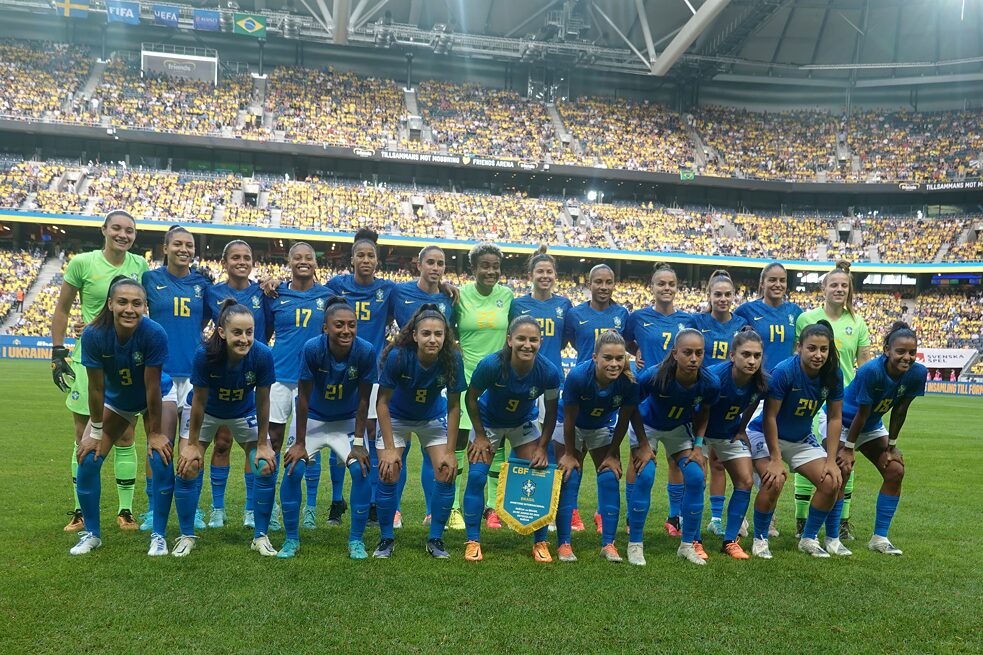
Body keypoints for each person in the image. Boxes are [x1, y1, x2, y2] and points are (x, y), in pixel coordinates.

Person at [51, 210, 148, 532]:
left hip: (125, 361)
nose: (123, 234)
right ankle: (79, 511)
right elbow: (63, 308)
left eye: (129, 230)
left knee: (126, 435)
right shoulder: (82, 263)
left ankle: (125, 510)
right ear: (104, 230)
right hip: (89, 357)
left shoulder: (140, 266)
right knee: (84, 435)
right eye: (117, 228)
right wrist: (57, 351)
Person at [169, 299, 275, 557]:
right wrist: (192, 444)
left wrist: (263, 443)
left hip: (243, 411)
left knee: (265, 465)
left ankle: (260, 536)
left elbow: (262, 400)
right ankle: (186, 535)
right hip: (207, 412)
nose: (244, 339)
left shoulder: (262, 355)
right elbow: (199, 402)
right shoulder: (204, 355)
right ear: (221, 332)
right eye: (237, 332)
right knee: (188, 466)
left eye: (249, 332)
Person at [70, 277, 167, 555]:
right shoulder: (94, 334)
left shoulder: (154, 333)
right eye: (122, 302)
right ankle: (92, 533)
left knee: (160, 456)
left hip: (155, 399)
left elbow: (152, 388)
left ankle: (159, 535)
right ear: (110, 303)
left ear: (145, 307)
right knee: (88, 457)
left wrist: (156, 433)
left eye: (137, 303)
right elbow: (97, 388)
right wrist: (97, 432)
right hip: (117, 401)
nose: (129, 309)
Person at [278, 298, 376, 559]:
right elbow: (304, 398)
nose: (346, 331)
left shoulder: (365, 351)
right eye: (339, 325)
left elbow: (364, 400)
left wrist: (358, 441)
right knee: (292, 468)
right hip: (313, 419)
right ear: (325, 328)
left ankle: (356, 541)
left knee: (361, 471)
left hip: (346, 420)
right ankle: (291, 540)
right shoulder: (312, 349)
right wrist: (299, 443)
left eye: (352, 325)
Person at [746, 320, 848, 558]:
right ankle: (760, 538)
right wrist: (775, 458)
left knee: (832, 480)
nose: (818, 354)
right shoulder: (785, 371)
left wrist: (831, 460)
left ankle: (809, 538)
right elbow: (769, 416)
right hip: (765, 434)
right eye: (812, 348)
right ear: (799, 347)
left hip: (801, 439)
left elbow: (834, 418)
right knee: (775, 479)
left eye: (824, 349)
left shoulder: (833, 374)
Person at [463, 315, 562, 562]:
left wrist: (542, 447)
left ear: (540, 342)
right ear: (509, 340)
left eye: (533, 340)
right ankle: (473, 540)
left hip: (522, 423)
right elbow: (471, 398)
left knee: (539, 473)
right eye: (520, 339)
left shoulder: (549, 372)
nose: (527, 345)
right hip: (488, 421)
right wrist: (481, 436)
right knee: (476, 476)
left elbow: (551, 412)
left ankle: (540, 542)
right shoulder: (491, 365)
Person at [374, 304, 467, 559]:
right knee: (388, 470)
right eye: (426, 333)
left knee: (447, 470)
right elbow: (381, 403)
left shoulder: (452, 358)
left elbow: (454, 406)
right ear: (414, 335)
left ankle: (435, 538)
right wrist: (391, 449)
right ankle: (386, 538)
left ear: (445, 336)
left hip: (431, 417)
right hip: (396, 417)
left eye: (438, 334)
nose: (433, 339)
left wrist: (450, 452)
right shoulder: (399, 356)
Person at [622, 328, 720, 566]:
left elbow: (704, 412)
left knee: (696, 477)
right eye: (687, 352)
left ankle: (687, 545)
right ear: (675, 353)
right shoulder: (654, 376)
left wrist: (698, 446)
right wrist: (644, 444)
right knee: (646, 475)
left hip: (679, 428)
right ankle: (635, 543)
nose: (694, 358)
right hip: (647, 425)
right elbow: (632, 406)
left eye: (699, 353)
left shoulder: (709, 382)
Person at [829, 321, 926, 555]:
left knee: (895, 470)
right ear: (887, 351)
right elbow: (861, 414)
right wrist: (848, 449)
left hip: (871, 425)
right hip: (842, 423)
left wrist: (892, 447)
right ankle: (833, 538)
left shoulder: (918, 372)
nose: (907, 357)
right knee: (841, 471)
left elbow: (900, 410)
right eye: (900, 351)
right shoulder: (871, 371)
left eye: (912, 352)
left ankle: (879, 538)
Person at [321, 229, 395, 530]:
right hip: (341, 373)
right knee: (342, 435)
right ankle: (337, 500)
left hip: (373, 375)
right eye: (360, 255)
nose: (366, 260)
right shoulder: (335, 285)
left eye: (370, 256)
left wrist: (443, 284)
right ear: (351, 259)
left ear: (377, 261)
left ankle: (375, 502)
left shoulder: (388, 289)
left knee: (373, 437)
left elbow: (412, 304)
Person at [794, 261, 872, 540]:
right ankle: (802, 520)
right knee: (810, 456)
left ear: (849, 290)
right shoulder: (806, 318)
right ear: (824, 288)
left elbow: (863, 365)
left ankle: (841, 522)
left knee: (844, 461)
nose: (839, 289)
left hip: (845, 401)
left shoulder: (857, 322)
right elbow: (797, 356)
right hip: (813, 398)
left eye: (844, 285)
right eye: (834, 285)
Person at [142, 226, 212, 532]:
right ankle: (152, 508)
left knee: (191, 445)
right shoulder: (150, 279)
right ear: (165, 247)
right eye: (179, 244)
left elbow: (210, 318)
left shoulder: (202, 283)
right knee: (158, 443)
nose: (184, 249)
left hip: (195, 374)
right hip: (161, 373)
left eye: (190, 245)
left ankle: (192, 509)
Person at [264, 242, 335, 530]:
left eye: (309, 257)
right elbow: (264, 332)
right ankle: (271, 508)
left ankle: (310, 508)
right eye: (298, 258)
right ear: (289, 261)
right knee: (274, 441)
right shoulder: (275, 294)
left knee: (311, 445)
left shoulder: (328, 297)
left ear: (315, 263)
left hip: (313, 380)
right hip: (279, 377)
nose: (303, 261)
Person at [202, 240, 269, 529]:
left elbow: (270, 326)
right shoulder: (211, 291)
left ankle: (251, 509)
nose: (241, 261)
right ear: (225, 262)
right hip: (221, 370)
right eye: (235, 257)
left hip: (253, 371)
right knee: (221, 441)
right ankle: (217, 509)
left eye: (247, 257)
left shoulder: (264, 291)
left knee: (254, 446)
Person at [555, 331, 639, 563]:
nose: (614, 364)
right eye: (608, 358)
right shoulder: (579, 376)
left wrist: (613, 454)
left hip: (601, 426)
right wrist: (571, 454)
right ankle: (564, 543)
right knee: (569, 477)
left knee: (610, 476)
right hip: (570, 426)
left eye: (619, 358)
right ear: (595, 358)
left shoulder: (629, 381)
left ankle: (608, 544)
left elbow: (625, 420)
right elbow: (570, 419)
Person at [734, 261, 803, 538]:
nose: (777, 284)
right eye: (772, 279)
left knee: (772, 458)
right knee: (746, 454)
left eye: (782, 280)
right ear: (762, 282)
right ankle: (739, 517)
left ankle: (768, 517)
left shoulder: (795, 313)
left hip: (783, 393)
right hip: (754, 391)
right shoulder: (747, 311)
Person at [391, 245, 458, 528]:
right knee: (399, 453)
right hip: (402, 379)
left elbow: (452, 336)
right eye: (430, 262)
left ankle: (432, 511)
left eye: (440, 263)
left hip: (432, 382)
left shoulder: (449, 297)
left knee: (434, 456)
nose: (435, 267)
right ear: (419, 265)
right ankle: (394, 511)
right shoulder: (398, 292)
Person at [624, 262, 692, 538]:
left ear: (677, 288)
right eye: (661, 284)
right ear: (651, 288)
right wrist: (637, 351)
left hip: (677, 399)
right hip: (646, 396)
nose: (666, 288)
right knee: (638, 460)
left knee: (676, 461)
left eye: (671, 284)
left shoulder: (689, 320)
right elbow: (628, 342)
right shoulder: (638, 317)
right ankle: (632, 514)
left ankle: (674, 517)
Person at [509, 246, 575, 527]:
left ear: (555, 275)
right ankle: (524, 500)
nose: (545, 275)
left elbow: (564, 341)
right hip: (524, 382)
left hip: (553, 381)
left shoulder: (565, 305)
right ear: (530, 275)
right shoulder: (518, 304)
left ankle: (552, 505)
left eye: (549, 271)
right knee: (527, 441)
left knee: (550, 444)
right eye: (540, 271)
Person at [455, 243, 513, 530]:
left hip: (497, 380)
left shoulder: (508, 296)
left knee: (496, 445)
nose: (491, 271)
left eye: (495, 266)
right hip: (465, 378)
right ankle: (453, 507)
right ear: (473, 268)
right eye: (484, 266)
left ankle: (492, 507)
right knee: (459, 443)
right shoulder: (460, 295)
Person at [690, 269, 748, 538]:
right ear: (709, 296)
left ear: (734, 296)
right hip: (700, 398)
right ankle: (686, 520)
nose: (723, 299)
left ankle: (715, 519)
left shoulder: (743, 324)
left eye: (728, 294)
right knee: (696, 464)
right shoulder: (697, 321)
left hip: (728, 401)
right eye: (718, 294)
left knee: (719, 463)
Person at [702, 327, 768, 559]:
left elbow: (752, 403)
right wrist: (698, 442)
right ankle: (692, 540)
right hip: (699, 431)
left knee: (746, 480)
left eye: (757, 356)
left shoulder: (760, 382)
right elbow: (698, 410)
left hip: (728, 433)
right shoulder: (714, 378)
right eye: (746, 354)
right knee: (696, 477)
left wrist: (741, 429)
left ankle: (730, 540)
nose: (752, 361)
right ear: (732, 356)